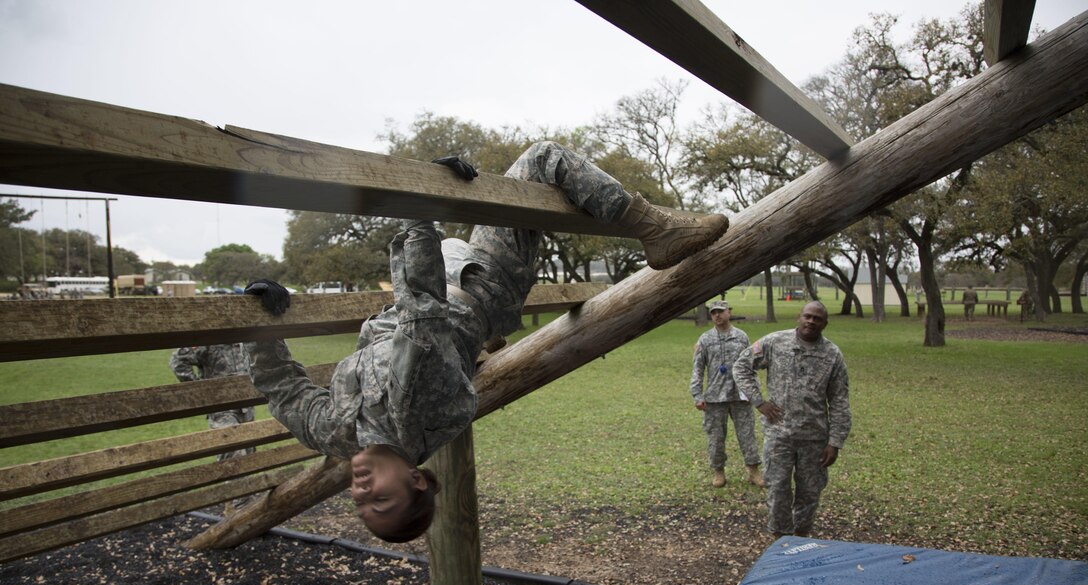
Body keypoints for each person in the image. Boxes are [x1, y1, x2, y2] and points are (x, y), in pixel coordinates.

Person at [243, 141, 730, 543]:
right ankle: (653, 228)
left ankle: (478, 324)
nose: (360, 491)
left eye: (361, 504)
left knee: (474, 182)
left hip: (451, 266)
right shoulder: (417, 411)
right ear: (416, 479)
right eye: (381, 500)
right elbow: (422, 313)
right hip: (483, 284)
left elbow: (285, 392)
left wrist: (261, 323)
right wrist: (422, 208)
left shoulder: (334, 434)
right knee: (543, 159)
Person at [732, 301, 851, 537]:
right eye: (807, 316)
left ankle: (801, 537)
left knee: (810, 492)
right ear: (799, 317)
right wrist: (759, 401)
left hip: (815, 439)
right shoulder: (775, 342)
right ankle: (780, 539)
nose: (811, 321)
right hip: (780, 435)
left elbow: (839, 400)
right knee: (777, 488)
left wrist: (835, 442)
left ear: (825, 324)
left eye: (817, 319)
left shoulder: (832, 355)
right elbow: (741, 367)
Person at [170, 343, 257, 515]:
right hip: (221, 411)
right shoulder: (210, 341)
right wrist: (201, 389)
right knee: (233, 453)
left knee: (249, 457)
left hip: (246, 408)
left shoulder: (243, 339)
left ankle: (234, 507)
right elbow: (178, 361)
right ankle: (242, 509)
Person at [690, 300, 762, 488]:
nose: (717, 315)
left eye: (721, 312)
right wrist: (697, 395)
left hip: (740, 396)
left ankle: (753, 471)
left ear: (729, 312)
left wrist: (754, 392)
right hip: (715, 398)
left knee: (747, 435)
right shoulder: (705, 339)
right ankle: (718, 472)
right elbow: (697, 369)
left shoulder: (741, 337)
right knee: (715, 437)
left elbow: (751, 366)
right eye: (713, 312)